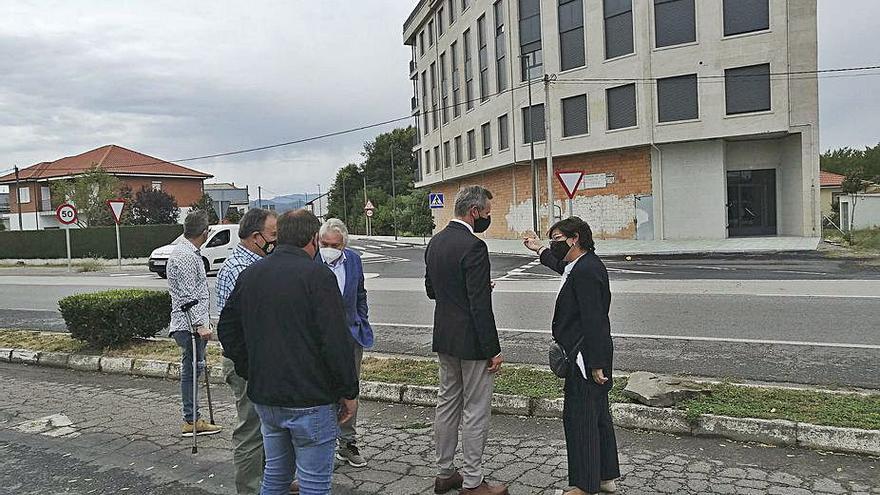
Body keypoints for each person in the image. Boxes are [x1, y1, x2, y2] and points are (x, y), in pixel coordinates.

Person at [218, 209, 359, 495]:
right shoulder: (318, 276)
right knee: (314, 484)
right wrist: (349, 392)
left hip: (267, 398)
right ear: (313, 240)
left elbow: (228, 330)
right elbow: (335, 341)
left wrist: (251, 369)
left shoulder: (251, 274)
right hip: (311, 398)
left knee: (275, 476)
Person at [523, 217, 620, 495]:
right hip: (587, 354)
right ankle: (605, 476)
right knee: (599, 416)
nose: (554, 244)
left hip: (585, 356)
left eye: (556, 239)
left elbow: (595, 319)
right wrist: (539, 248)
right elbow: (559, 266)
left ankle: (583, 486)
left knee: (580, 419)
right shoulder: (580, 265)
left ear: (574, 238)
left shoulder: (586, 271)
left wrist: (597, 363)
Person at [425, 185, 507, 495]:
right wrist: (493, 350)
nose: (487, 217)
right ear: (474, 212)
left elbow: (432, 290)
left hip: (445, 337)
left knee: (447, 404)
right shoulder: (474, 247)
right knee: (475, 409)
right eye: (486, 212)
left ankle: (445, 472)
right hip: (472, 342)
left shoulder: (435, 242)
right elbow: (479, 305)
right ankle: (473, 482)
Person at [216, 208, 283, 495]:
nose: (276, 242)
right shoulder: (240, 269)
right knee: (251, 430)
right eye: (274, 236)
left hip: (257, 359)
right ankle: (251, 488)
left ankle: (270, 481)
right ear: (257, 237)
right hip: (246, 362)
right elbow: (238, 327)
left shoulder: (254, 264)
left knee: (267, 427)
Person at [317, 218, 373, 468]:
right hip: (319, 340)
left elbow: (360, 293)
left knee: (350, 390)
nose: (329, 248)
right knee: (323, 391)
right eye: (324, 243)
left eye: (334, 244)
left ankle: (347, 443)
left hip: (350, 335)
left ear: (343, 244)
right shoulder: (311, 261)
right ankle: (323, 445)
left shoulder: (354, 260)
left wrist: (362, 319)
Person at [166, 210, 222, 437]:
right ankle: (191, 419)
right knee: (191, 371)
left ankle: (193, 418)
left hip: (187, 323)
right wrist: (201, 325)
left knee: (192, 369)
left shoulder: (184, 252)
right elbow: (189, 295)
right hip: (189, 325)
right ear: (205, 232)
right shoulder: (187, 256)